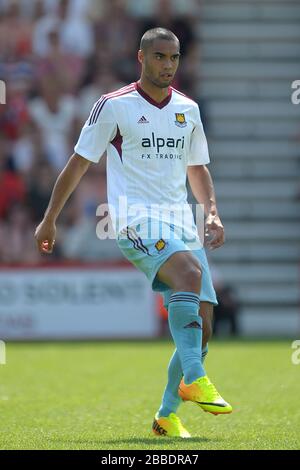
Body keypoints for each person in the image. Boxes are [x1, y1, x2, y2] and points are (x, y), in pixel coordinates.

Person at [34, 27, 232, 438]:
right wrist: (50, 216)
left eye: (174, 58)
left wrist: (211, 212)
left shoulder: (188, 110)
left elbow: (197, 167)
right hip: (132, 219)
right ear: (141, 58)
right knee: (189, 277)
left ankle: (165, 415)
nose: (168, 65)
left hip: (182, 223)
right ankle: (194, 377)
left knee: (205, 324)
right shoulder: (113, 105)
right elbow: (78, 162)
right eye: (160, 57)